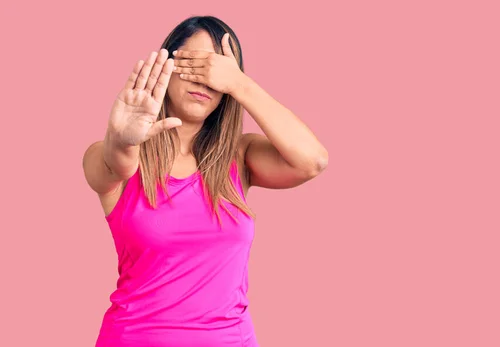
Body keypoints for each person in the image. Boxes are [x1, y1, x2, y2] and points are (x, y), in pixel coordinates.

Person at [82, 15, 328, 347]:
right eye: (195, 65)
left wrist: (241, 84)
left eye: (217, 72)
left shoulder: (240, 156)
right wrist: (121, 140)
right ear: (165, 66)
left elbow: (313, 161)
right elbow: (113, 164)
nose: (206, 81)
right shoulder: (116, 154)